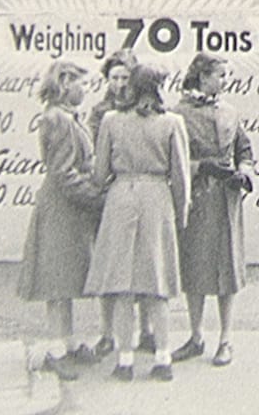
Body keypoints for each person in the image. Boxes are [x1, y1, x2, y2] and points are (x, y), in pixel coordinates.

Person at [84, 63, 191, 382]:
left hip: (121, 199)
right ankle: (162, 358)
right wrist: (180, 213)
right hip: (157, 200)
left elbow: (100, 173)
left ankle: (125, 360)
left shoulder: (111, 121)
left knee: (121, 284)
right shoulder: (172, 122)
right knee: (157, 283)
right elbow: (181, 177)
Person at [17, 59, 102, 381]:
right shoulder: (57, 119)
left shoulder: (66, 116)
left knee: (66, 280)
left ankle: (67, 342)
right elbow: (64, 173)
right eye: (82, 83)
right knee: (57, 283)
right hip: (61, 210)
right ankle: (56, 351)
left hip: (69, 210)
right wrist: (96, 199)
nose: (85, 90)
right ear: (65, 82)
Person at [170, 54, 255, 368]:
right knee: (195, 266)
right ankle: (195, 336)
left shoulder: (230, 111)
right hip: (197, 198)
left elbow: (244, 149)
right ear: (202, 76)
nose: (225, 81)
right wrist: (200, 166)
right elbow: (172, 161)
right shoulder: (178, 114)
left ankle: (226, 339)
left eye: (226, 75)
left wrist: (244, 173)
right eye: (220, 75)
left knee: (226, 267)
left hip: (226, 199)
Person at [87, 49, 156, 358]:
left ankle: (146, 330)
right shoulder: (101, 112)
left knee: (142, 262)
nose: (119, 84)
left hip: (136, 194)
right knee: (110, 266)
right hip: (110, 195)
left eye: (125, 78)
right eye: (114, 77)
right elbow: (95, 154)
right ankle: (107, 332)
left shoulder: (145, 110)